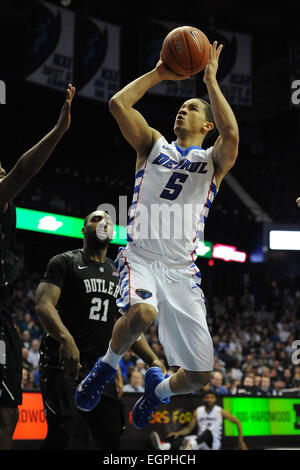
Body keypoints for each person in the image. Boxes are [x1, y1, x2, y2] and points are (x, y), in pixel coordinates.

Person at [75, 41, 239, 430]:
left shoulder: (212, 162)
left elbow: (232, 133)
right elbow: (118, 104)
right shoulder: (152, 144)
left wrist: (211, 81)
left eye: (193, 108)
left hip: (182, 270)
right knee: (143, 312)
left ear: (207, 126)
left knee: (199, 377)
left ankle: (157, 390)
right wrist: (160, 73)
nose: (183, 109)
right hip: (142, 257)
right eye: (181, 107)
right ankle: (106, 367)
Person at [35, 210, 165, 450]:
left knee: (111, 435)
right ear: (84, 230)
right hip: (62, 359)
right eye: (96, 219)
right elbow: (43, 304)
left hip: (99, 367)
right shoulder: (64, 261)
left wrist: (153, 359)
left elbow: (126, 324)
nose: (104, 222)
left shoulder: (119, 274)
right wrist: (66, 339)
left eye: (108, 221)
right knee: (63, 429)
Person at [0, 83, 75, 450]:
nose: (3, 172)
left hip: (4, 315)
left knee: (7, 414)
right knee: (4, 416)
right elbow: (24, 170)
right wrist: (58, 131)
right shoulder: (2, 194)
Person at [150, 390, 247, 451]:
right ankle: (164, 447)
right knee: (185, 438)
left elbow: (238, 422)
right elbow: (188, 428)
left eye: (211, 397)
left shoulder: (221, 411)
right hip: (199, 442)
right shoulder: (198, 411)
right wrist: (177, 433)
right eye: (207, 397)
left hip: (212, 444)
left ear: (215, 399)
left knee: (207, 432)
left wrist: (241, 441)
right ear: (203, 399)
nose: (209, 399)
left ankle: (191, 445)